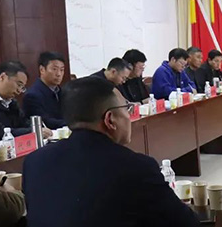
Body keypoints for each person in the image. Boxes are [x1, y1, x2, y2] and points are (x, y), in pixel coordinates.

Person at [22, 77, 200, 227]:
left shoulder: (34, 161)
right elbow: (185, 223)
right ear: (110, 120)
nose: (129, 116)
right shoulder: (136, 168)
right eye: (126, 108)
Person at [0, 60, 51, 146]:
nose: (19, 91)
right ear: (3, 77)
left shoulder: (11, 102)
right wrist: (33, 131)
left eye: (22, 87)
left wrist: (39, 128)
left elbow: (23, 122)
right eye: (19, 85)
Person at [23, 51, 67, 129]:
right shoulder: (32, 95)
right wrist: (70, 123)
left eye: (62, 70)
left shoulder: (62, 91)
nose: (59, 74)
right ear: (42, 69)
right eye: (54, 69)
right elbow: (44, 121)